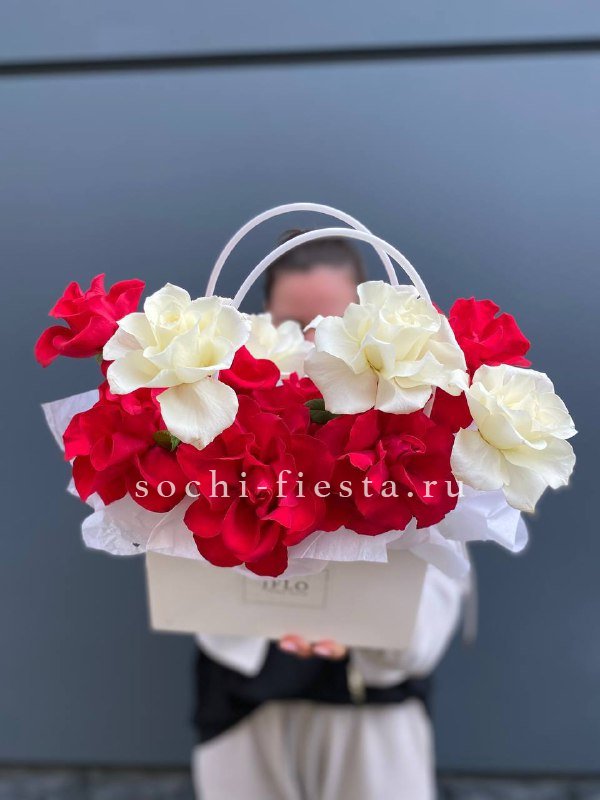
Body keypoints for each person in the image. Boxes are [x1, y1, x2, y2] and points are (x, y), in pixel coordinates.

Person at [191, 231, 465, 800]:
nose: (314, 343)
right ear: (262, 325)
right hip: (245, 720)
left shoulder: (414, 434)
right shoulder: (218, 426)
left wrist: (361, 629)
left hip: (374, 723)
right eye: (294, 326)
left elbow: (427, 628)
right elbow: (192, 582)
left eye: (332, 325)